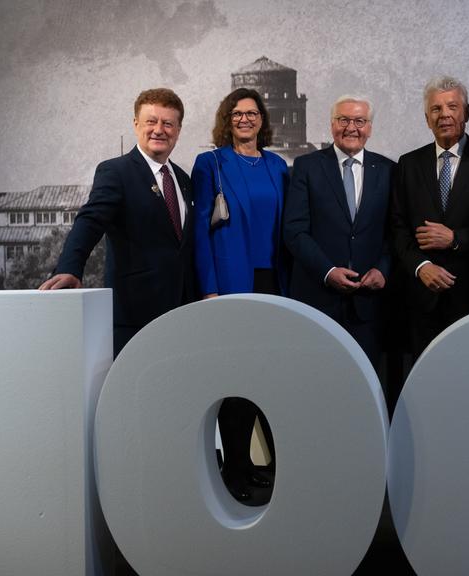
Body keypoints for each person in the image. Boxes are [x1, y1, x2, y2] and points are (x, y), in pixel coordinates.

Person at [39, 88, 198, 357]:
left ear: (178, 130)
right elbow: (90, 221)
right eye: (151, 121)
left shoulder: (184, 179)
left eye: (168, 123)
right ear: (136, 124)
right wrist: (70, 268)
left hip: (183, 313)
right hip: (134, 315)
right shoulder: (115, 171)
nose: (159, 129)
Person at [191, 88, 288, 503]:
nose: (245, 119)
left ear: (262, 120)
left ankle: (250, 466)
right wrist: (209, 288)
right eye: (237, 114)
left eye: (252, 113)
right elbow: (199, 231)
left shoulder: (278, 165)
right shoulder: (210, 163)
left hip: (274, 284)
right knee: (235, 378)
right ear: (226, 120)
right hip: (231, 284)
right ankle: (233, 469)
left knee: (264, 376)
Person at [391, 76, 469, 360]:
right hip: (422, 302)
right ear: (426, 118)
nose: (444, 114)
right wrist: (421, 266)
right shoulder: (408, 164)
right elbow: (397, 227)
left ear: (466, 113)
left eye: (452, 106)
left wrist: (456, 239)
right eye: (436, 109)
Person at [284, 96, 394, 371]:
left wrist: (383, 269)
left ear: (370, 127)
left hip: (368, 304)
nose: (351, 127)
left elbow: (395, 232)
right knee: (316, 383)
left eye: (359, 121)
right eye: (343, 120)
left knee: (364, 386)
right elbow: (295, 231)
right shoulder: (307, 167)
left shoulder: (388, 170)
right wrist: (328, 271)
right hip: (317, 298)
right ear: (332, 124)